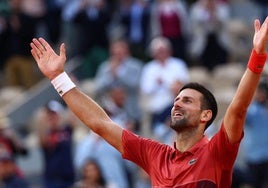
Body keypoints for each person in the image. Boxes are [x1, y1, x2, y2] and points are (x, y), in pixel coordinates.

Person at [30, 17, 268, 187]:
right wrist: (58, 78)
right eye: (176, 99)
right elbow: (100, 124)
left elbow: (237, 109)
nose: (177, 104)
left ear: (206, 116)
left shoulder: (217, 151)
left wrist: (257, 55)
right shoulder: (155, 154)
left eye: (186, 101)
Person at [37, 100, 76, 188]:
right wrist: (44, 120)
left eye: (54, 114)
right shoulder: (46, 133)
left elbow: (73, 117)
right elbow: (43, 142)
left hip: (68, 177)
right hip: (52, 179)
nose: (52, 118)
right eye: (50, 115)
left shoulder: (67, 130)